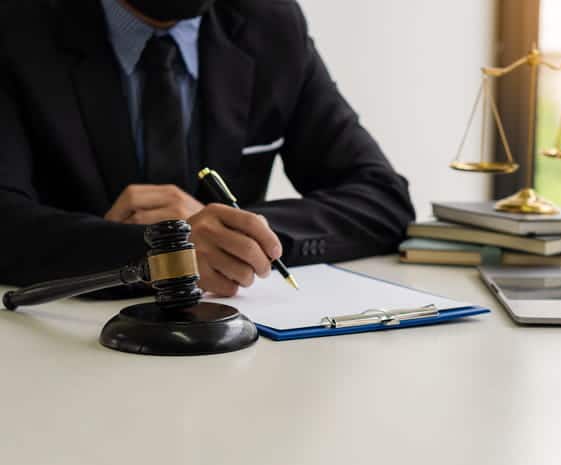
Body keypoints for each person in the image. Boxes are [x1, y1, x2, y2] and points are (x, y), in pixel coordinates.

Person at [0, 0, 414, 296]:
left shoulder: (271, 25)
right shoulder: (17, 28)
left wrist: (229, 236)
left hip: (236, 350)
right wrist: (165, 249)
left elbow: (382, 200)